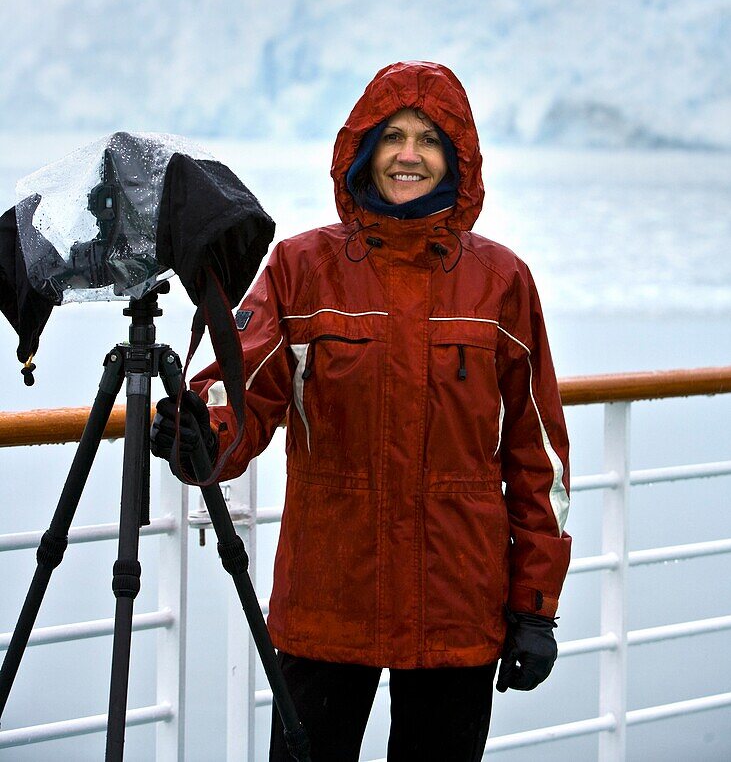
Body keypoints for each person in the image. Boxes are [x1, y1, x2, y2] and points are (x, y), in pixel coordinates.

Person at [152, 60, 571, 762]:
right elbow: (242, 390)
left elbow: (538, 456)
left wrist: (534, 605)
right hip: (329, 596)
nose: (409, 155)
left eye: (429, 139)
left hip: (456, 603)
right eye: (391, 137)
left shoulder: (500, 280)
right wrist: (201, 433)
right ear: (362, 150)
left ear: (457, 157)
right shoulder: (301, 266)